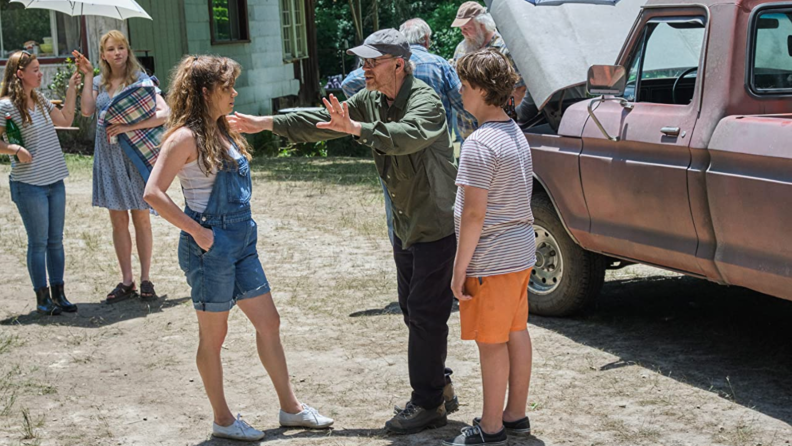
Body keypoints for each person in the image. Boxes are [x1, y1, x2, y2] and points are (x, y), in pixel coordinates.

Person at [229, 29, 458, 435]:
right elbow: (325, 122)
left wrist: (355, 129)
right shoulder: (372, 99)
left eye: (373, 61)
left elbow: (406, 137)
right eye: (363, 61)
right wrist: (266, 123)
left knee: (425, 312)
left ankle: (428, 404)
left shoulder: (424, 100)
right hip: (406, 223)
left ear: (399, 64)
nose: (365, 69)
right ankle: (437, 384)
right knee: (412, 307)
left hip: (436, 223)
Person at [143, 55, 333, 442]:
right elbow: (152, 193)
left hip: (243, 241)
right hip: (210, 247)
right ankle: (223, 419)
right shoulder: (184, 137)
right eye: (227, 87)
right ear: (204, 91)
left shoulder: (222, 129)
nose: (234, 93)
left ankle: (290, 408)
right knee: (214, 337)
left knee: (269, 322)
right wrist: (198, 232)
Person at [444, 49, 536, 446]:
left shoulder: (479, 144)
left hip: (492, 261)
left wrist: (459, 268)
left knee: (491, 342)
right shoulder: (515, 133)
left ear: (481, 90)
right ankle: (515, 415)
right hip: (519, 256)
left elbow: (474, 215)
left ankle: (492, 427)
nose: (460, 93)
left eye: (464, 86)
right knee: (516, 332)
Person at [73, 30, 168, 303]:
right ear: (103, 54)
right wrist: (88, 75)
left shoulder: (141, 80)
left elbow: (165, 114)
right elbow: (88, 111)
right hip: (108, 156)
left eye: (122, 48)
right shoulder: (100, 82)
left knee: (141, 218)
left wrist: (130, 126)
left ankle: (146, 278)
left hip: (134, 153)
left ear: (128, 51)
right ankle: (127, 281)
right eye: (111, 49)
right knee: (118, 220)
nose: (117, 53)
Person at [0, 51, 80, 315]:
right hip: (29, 185)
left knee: (55, 241)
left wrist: (71, 88)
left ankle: (59, 294)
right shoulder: (6, 106)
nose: (40, 72)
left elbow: (66, 119)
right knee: (38, 242)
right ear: (19, 74)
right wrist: (14, 149)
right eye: (35, 69)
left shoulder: (41, 99)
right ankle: (42, 299)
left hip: (54, 180)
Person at [451, 1, 535, 139]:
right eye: (461, 29)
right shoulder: (461, 48)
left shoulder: (504, 48)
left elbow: (519, 90)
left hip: (498, 131)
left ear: (482, 25)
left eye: (467, 28)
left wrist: (506, 118)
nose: (463, 32)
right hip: (467, 130)